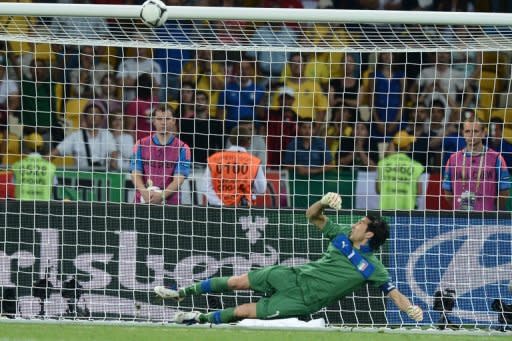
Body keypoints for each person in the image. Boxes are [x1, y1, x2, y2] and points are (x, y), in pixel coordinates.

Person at [154, 192, 423, 325]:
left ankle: (195, 319)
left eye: (361, 224)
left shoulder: (372, 267)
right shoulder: (340, 235)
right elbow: (312, 215)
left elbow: (393, 292)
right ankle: (181, 292)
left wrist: (411, 309)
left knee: (244, 311)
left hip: (303, 300)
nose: (354, 224)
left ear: (369, 236)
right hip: (292, 275)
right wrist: (323, 201)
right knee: (237, 281)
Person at [443, 118, 511, 211]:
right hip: (460, 218)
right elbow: (448, 193)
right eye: (467, 131)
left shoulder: (496, 158)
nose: (471, 135)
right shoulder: (452, 159)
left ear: (483, 133)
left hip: (488, 219)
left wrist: (494, 214)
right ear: (463, 133)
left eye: (475, 131)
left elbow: (504, 192)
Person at [130, 105, 191, 205]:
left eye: (167, 119)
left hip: (170, 203)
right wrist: (144, 193)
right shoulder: (140, 144)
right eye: (159, 119)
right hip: (143, 200)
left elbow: (178, 180)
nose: (163, 122)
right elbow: (135, 173)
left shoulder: (183, 148)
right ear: (153, 121)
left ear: (174, 121)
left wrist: (161, 196)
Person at [204, 125, 267, 207]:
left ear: (230, 140)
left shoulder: (214, 159)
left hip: (217, 209)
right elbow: (261, 189)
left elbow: (206, 186)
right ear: (249, 141)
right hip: (243, 208)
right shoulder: (254, 162)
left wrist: (220, 203)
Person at [51, 101, 118, 171]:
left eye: (97, 112)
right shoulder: (76, 136)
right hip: (81, 178)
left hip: (103, 178)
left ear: (102, 118)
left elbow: (113, 152)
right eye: (90, 112)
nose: (93, 115)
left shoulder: (107, 135)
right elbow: (55, 152)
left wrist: (113, 161)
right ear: (85, 117)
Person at [376, 131, 425, 210]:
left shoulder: (382, 164)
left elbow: (378, 190)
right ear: (409, 147)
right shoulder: (416, 166)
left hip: (386, 210)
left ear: (394, 145)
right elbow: (419, 192)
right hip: (407, 210)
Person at [12, 132, 56, 201]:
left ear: (27, 146)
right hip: (44, 207)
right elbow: (54, 187)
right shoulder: (51, 167)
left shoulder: (17, 165)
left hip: (21, 207)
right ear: (41, 147)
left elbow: (13, 185)